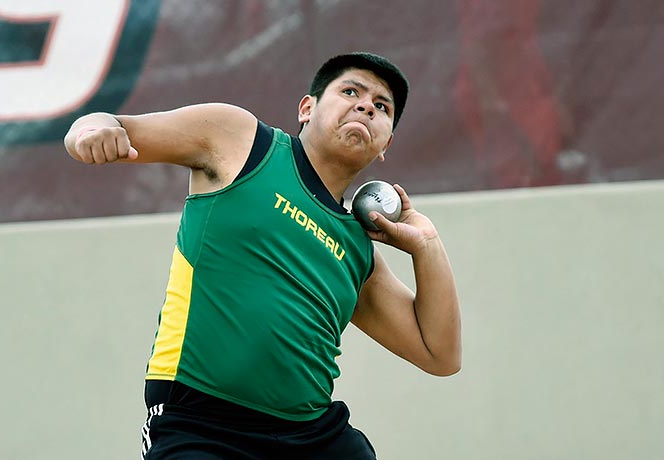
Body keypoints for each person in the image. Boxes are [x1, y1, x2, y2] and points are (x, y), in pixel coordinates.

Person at [64, 52, 461, 460]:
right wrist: (88, 133)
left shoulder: (358, 248)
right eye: (350, 91)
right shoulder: (239, 140)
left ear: (385, 145)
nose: (366, 106)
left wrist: (426, 244)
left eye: (382, 107)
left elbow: (440, 355)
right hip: (201, 425)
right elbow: (112, 124)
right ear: (307, 109)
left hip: (311, 438)